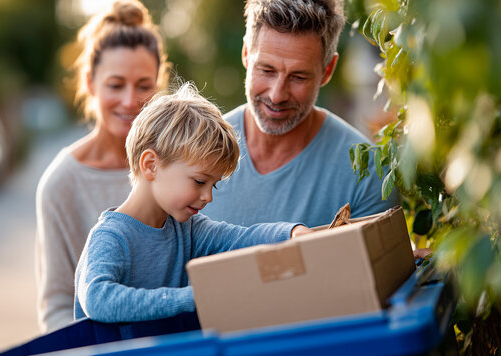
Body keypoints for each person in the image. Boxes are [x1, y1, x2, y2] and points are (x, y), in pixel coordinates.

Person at [74, 83, 310, 322]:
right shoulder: (111, 237)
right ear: (151, 165)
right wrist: (192, 297)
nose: (208, 197)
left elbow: (240, 239)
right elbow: (98, 299)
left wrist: (292, 233)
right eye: (199, 181)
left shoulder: (188, 230)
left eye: (213, 185)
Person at [202, 0, 400, 228]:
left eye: (298, 77)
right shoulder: (194, 153)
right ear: (246, 54)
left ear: (327, 71)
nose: (277, 95)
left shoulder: (367, 173)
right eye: (266, 70)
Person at [35, 0, 170, 332]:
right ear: (91, 83)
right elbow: (56, 307)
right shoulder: (61, 183)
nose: (129, 101)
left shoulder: (177, 163)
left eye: (143, 85)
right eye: (115, 85)